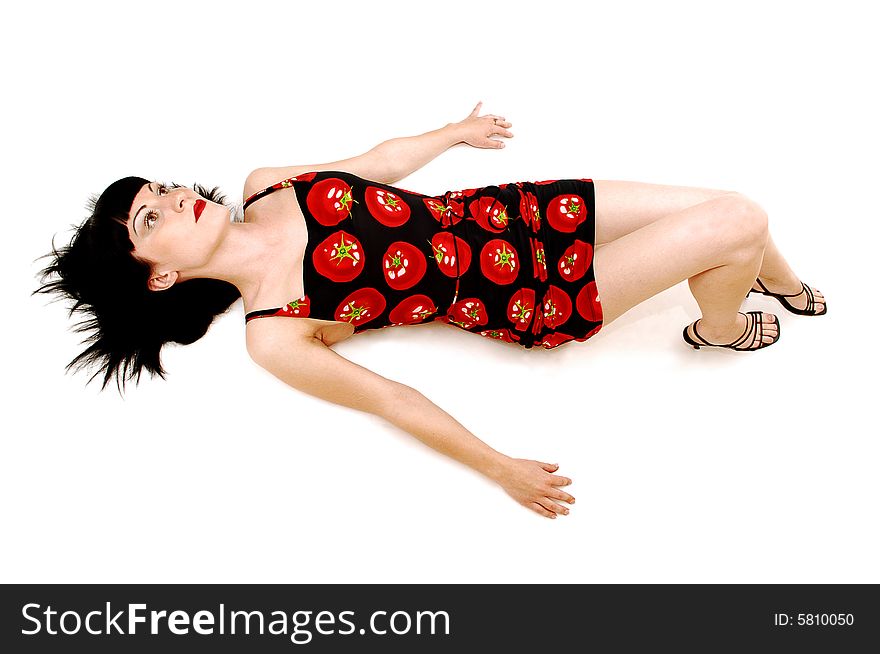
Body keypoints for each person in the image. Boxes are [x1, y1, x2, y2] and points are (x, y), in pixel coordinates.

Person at [34, 101, 827, 519]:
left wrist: (454, 132)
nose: (174, 199)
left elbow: (376, 164)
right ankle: (719, 328)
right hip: (531, 299)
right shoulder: (274, 332)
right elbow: (393, 400)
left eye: (160, 191)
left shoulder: (264, 183)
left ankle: (778, 287)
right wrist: (501, 468)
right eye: (150, 219)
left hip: (510, 212)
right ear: (158, 276)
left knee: (730, 212)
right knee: (739, 222)